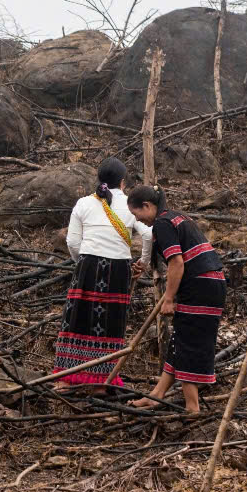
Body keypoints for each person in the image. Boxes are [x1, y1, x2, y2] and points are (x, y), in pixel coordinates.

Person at [53, 157, 153, 387]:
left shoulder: (84, 203)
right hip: (118, 269)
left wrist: (83, 262)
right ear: (123, 182)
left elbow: (72, 242)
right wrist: (143, 263)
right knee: (110, 321)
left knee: (77, 317)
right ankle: (103, 379)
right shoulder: (130, 204)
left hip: (87, 266)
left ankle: (67, 377)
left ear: (98, 179)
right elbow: (148, 235)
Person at [125, 185, 225, 413]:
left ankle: (192, 407)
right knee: (179, 339)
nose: (138, 220)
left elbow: (177, 262)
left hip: (200, 285)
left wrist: (169, 298)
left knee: (187, 341)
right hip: (211, 282)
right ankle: (156, 395)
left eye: (136, 214)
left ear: (147, 206)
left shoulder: (162, 223)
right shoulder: (177, 216)